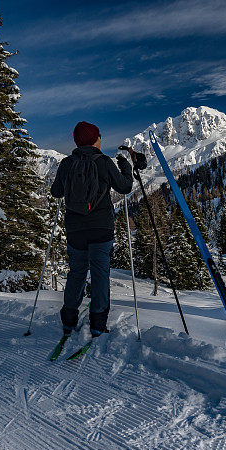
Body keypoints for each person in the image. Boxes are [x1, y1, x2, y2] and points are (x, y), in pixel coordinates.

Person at [50, 121, 140, 337]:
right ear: (95, 139)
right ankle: (98, 323)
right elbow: (125, 186)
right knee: (100, 274)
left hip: (75, 229)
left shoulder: (67, 163)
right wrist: (126, 166)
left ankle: (69, 319)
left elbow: (56, 192)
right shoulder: (104, 162)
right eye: (99, 136)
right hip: (101, 227)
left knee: (77, 273)